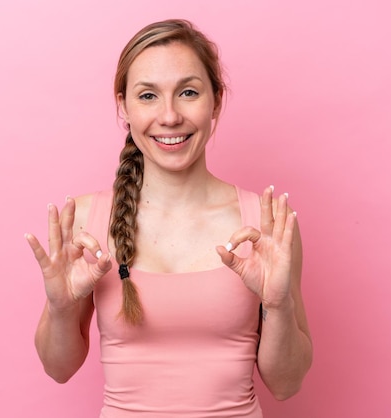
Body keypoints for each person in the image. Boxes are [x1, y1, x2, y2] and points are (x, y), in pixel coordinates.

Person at [25, 19, 312, 417]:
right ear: (123, 105)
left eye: (189, 92)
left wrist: (277, 305)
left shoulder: (266, 227)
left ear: (216, 100)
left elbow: (287, 384)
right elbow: (58, 369)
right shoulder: (87, 223)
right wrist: (59, 307)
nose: (170, 116)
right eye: (148, 96)